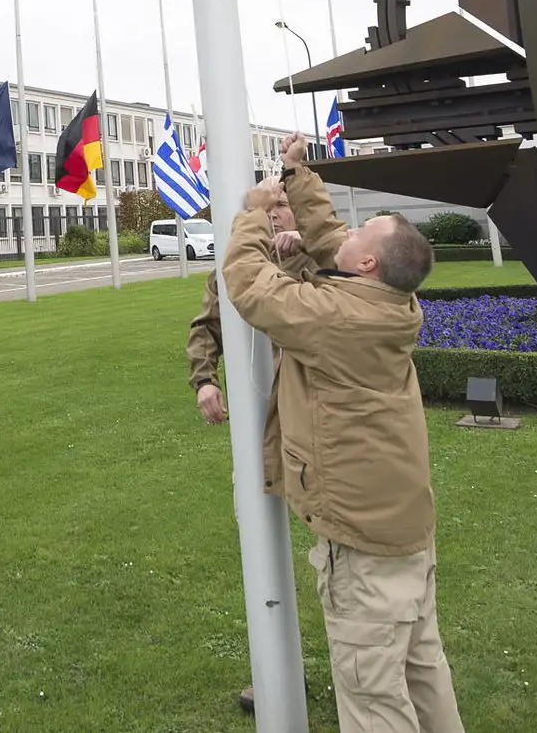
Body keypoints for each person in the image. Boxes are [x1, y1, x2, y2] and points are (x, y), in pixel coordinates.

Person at [223, 135, 463, 733]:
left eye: (362, 232)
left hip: (363, 546)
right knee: (421, 669)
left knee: (374, 699)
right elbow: (332, 243)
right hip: (403, 532)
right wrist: (298, 174)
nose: (345, 235)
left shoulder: (339, 319)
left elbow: (252, 284)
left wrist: (253, 212)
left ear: (367, 265)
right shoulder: (388, 301)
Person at [184, 181, 333, 716]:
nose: (275, 218)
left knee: (336, 555)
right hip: (259, 432)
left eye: (281, 207)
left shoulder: (321, 261)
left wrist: (308, 248)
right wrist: (204, 379)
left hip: (315, 429)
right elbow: (207, 325)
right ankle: (272, 666)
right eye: (267, 210)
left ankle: (352, 661)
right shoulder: (237, 262)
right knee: (258, 541)